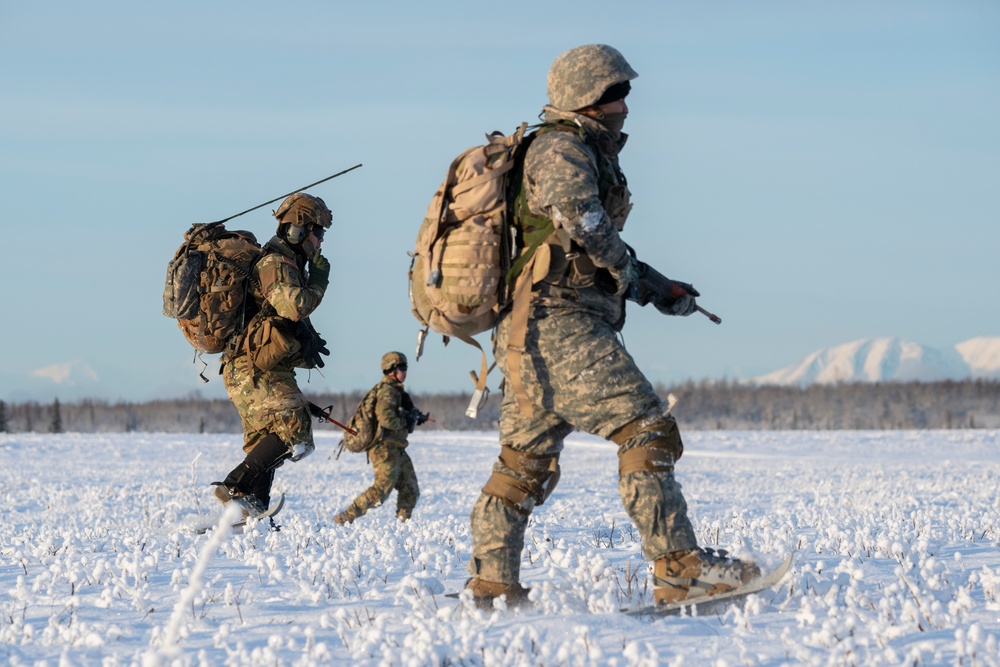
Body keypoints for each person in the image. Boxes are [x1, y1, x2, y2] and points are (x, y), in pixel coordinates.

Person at [466, 44, 760, 606]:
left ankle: (491, 589)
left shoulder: (569, 147)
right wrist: (629, 271)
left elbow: (591, 245)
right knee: (644, 427)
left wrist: (656, 288)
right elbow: (584, 222)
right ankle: (679, 571)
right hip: (559, 325)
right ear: (588, 99)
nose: (626, 105)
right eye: (615, 93)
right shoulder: (559, 148)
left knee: (520, 467)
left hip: (530, 332)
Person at [213, 192, 332, 515]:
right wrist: (320, 281)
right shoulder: (274, 262)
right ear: (297, 230)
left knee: (264, 440)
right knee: (295, 430)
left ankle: (253, 506)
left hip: (250, 367)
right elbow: (293, 306)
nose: (321, 241)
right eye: (317, 232)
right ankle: (234, 486)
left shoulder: (285, 264)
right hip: (254, 368)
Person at [334, 352, 426, 524]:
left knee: (410, 488)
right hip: (384, 448)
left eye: (406, 368)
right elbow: (386, 418)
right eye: (402, 368)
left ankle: (403, 525)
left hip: (396, 447)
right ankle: (345, 517)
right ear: (391, 370)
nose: (405, 372)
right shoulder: (388, 391)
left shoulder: (396, 390)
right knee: (381, 490)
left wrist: (413, 418)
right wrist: (406, 420)